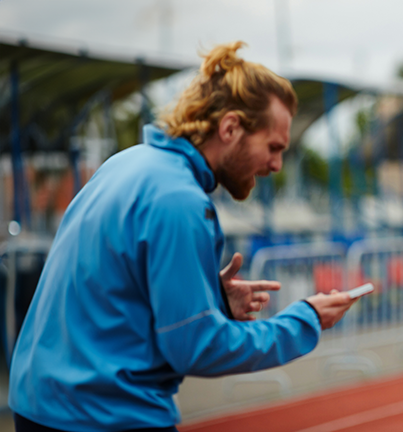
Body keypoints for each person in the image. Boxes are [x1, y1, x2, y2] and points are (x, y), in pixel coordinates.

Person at [8, 41, 357, 432]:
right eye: (273, 147)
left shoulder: (126, 164)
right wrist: (305, 320)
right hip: (106, 415)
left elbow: (112, 293)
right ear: (230, 128)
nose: (276, 164)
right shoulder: (179, 199)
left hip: (42, 406)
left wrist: (208, 299)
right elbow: (198, 348)